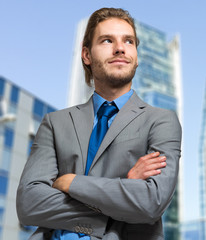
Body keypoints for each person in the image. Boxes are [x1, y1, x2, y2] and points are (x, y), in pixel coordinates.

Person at [16, 7, 181, 240]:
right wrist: (124, 186)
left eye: (129, 41)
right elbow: (29, 204)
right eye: (107, 40)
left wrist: (70, 182)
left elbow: (150, 203)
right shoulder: (55, 123)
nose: (120, 48)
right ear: (86, 55)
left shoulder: (161, 121)